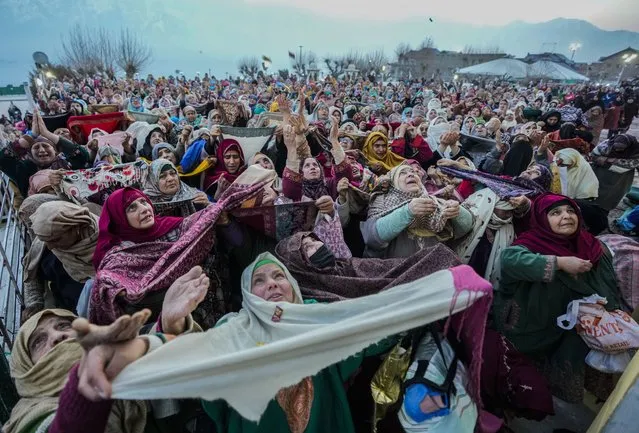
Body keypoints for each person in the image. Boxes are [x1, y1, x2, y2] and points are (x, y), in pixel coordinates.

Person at [3, 264, 209, 433]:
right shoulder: (30, 417)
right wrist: (85, 394)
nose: (58, 337)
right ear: (25, 366)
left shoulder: (118, 358)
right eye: (38, 342)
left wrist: (171, 323)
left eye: (64, 326)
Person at [494, 193, 624, 402]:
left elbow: (608, 282)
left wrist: (610, 310)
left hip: (570, 329)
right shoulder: (531, 242)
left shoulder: (592, 246)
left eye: (571, 211)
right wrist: (558, 263)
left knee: (544, 383)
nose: (566, 216)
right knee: (514, 372)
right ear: (542, 219)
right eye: (555, 213)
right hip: (529, 324)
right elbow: (510, 261)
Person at [362, 164, 473, 259]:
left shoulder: (434, 202)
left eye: (413, 172)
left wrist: (458, 212)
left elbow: (466, 228)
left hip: (435, 273)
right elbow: (372, 237)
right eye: (402, 173)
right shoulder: (382, 200)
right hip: (396, 273)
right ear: (393, 183)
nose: (411, 174)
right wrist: (407, 211)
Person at [0, 111, 90, 197]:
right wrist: (31, 136)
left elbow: (83, 156)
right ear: (30, 154)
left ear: (55, 151)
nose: (42, 150)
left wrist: (47, 134)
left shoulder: (67, 163)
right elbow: (3, 160)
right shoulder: (25, 168)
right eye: (36, 147)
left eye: (45, 146)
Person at [143, 159, 210, 216]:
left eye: (172, 173)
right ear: (153, 182)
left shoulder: (194, 195)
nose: (170, 179)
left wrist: (208, 205)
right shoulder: (146, 205)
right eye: (162, 176)